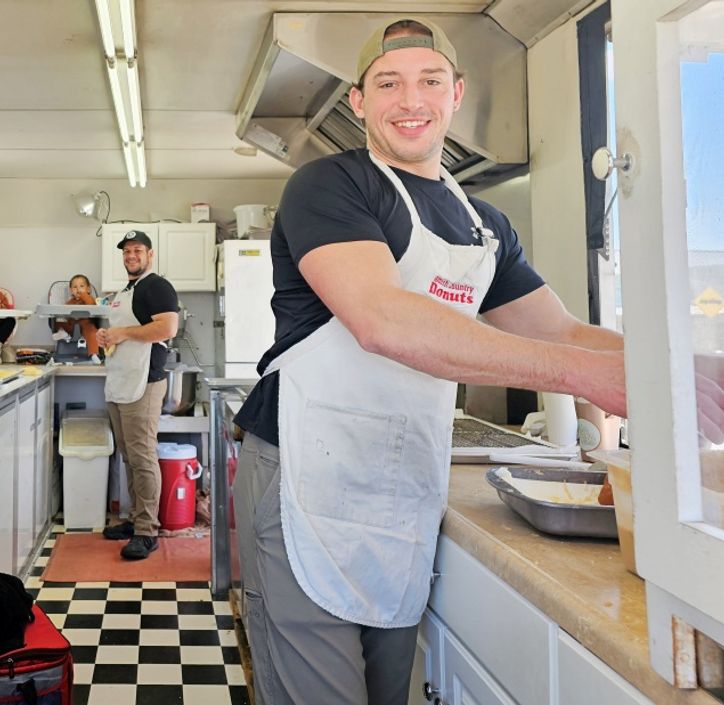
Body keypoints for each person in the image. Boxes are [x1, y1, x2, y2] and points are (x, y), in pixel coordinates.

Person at [231, 18, 628, 705]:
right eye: (388, 83)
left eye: (429, 81)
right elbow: (382, 319)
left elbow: (562, 330)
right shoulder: (330, 186)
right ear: (358, 102)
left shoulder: (485, 226)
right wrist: (579, 375)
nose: (409, 99)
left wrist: (680, 368)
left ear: (456, 95)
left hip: (398, 490)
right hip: (303, 476)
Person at [96, 230, 179, 560]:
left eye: (137, 250)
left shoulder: (157, 286)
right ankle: (135, 520)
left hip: (144, 382)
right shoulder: (126, 291)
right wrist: (107, 335)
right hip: (121, 380)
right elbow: (124, 333)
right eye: (127, 251)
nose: (131, 255)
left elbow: (167, 328)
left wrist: (123, 332)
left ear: (150, 255)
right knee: (129, 456)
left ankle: (147, 531)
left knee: (143, 456)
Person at [56, 273, 101, 356]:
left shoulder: (89, 299)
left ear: (88, 289)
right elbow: (64, 312)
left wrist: (84, 295)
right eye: (75, 287)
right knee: (60, 321)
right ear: (71, 290)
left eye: (81, 286)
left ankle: (94, 354)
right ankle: (63, 332)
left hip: (86, 322)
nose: (78, 289)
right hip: (72, 322)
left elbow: (92, 305)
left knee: (92, 333)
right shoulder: (70, 302)